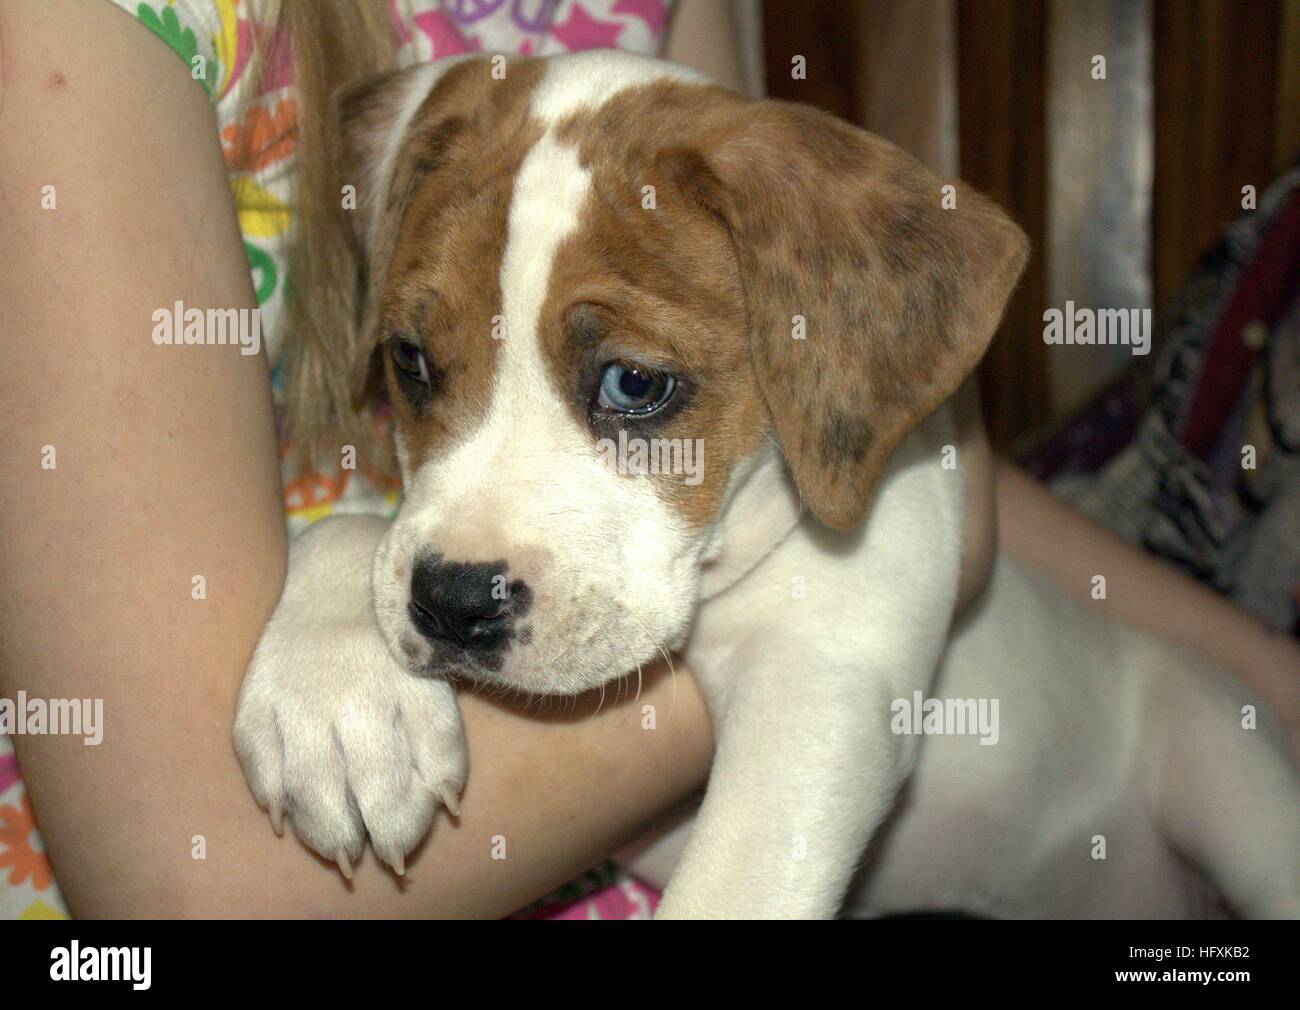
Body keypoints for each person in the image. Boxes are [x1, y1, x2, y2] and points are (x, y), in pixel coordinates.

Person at [0, 0, 1293, 921]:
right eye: (424, 370)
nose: (468, 519)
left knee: (1210, 730)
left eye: (634, 388)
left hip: (1147, 759)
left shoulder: (756, 227)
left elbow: (866, 607)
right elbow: (194, 870)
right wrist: (342, 578)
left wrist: (1263, 677)